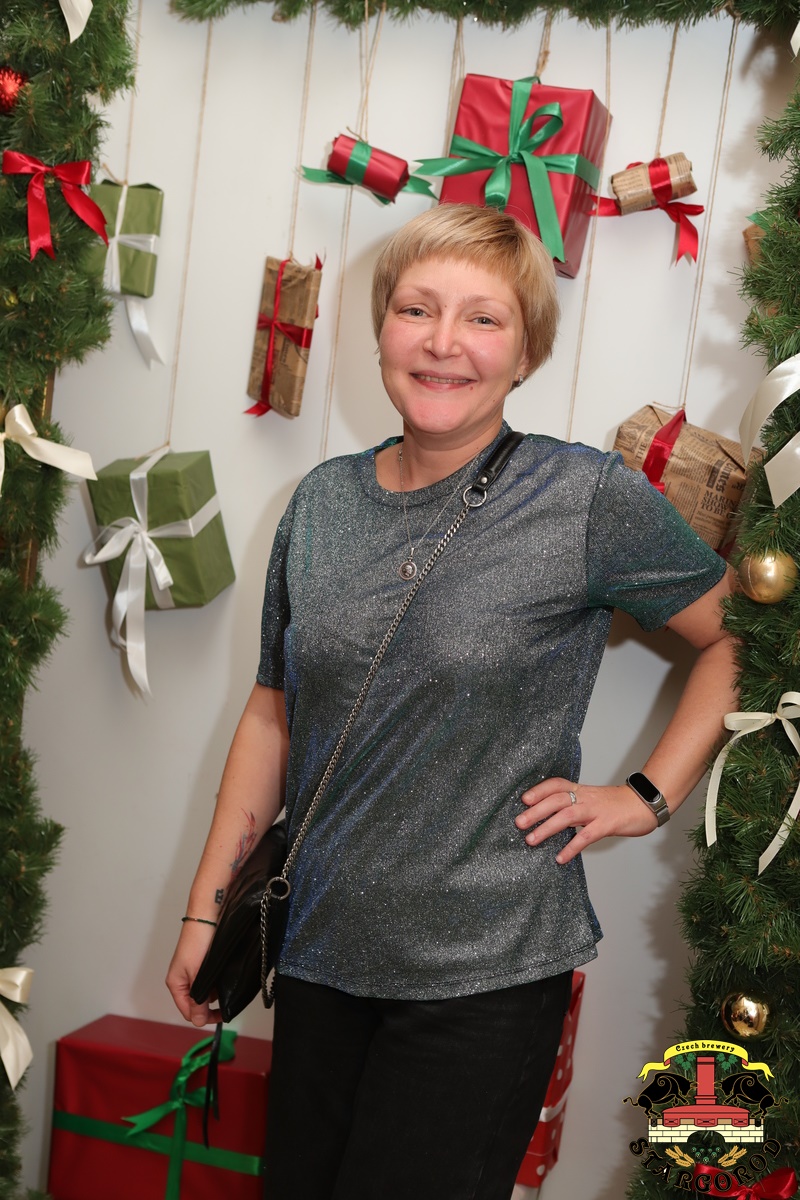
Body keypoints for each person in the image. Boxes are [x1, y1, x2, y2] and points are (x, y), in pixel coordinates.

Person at [166, 203, 737, 1199]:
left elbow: (738, 637)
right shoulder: (319, 503)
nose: (442, 342)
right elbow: (271, 713)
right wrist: (205, 912)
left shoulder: (583, 498)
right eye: (416, 309)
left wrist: (644, 796)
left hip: (484, 975)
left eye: (482, 318)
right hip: (319, 950)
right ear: (381, 329)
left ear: (525, 352)